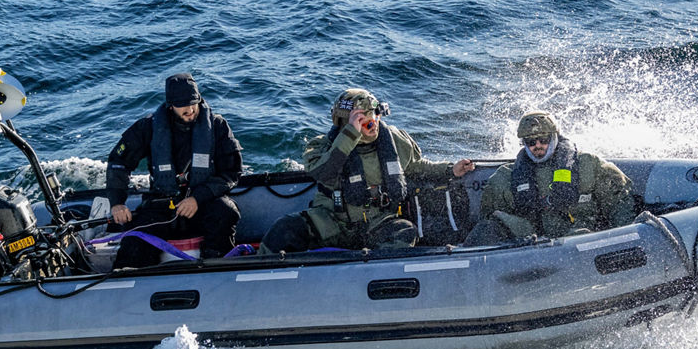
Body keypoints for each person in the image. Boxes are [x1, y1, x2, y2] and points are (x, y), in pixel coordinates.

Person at [260, 88, 475, 253]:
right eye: (364, 121)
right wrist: (350, 135)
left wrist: (450, 170)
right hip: (332, 222)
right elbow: (323, 172)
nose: (373, 125)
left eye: (375, 117)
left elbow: (415, 166)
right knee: (285, 229)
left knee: (405, 232)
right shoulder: (321, 147)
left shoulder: (394, 141)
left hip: (378, 223)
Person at [106, 73, 243, 268]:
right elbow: (118, 162)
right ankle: (131, 277)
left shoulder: (218, 126)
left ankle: (217, 267)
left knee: (226, 211)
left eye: (193, 103)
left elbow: (232, 172)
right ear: (171, 106)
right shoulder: (147, 127)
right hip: (163, 204)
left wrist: (198, 198)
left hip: (203, 201)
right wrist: (117, 203)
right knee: (135, 240)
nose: (189, 110)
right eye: (182, 105)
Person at [464, 111, 636, 246]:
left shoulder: (588, 165)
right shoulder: (505, 176)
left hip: (580, 236)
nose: (537, 145)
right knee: (490, 226)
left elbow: (620, 202)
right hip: (531, 239)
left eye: (543, 139)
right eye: (531, 142)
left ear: (555, 137)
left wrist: (624, 241)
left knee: (577, 238)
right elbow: (489, 215)